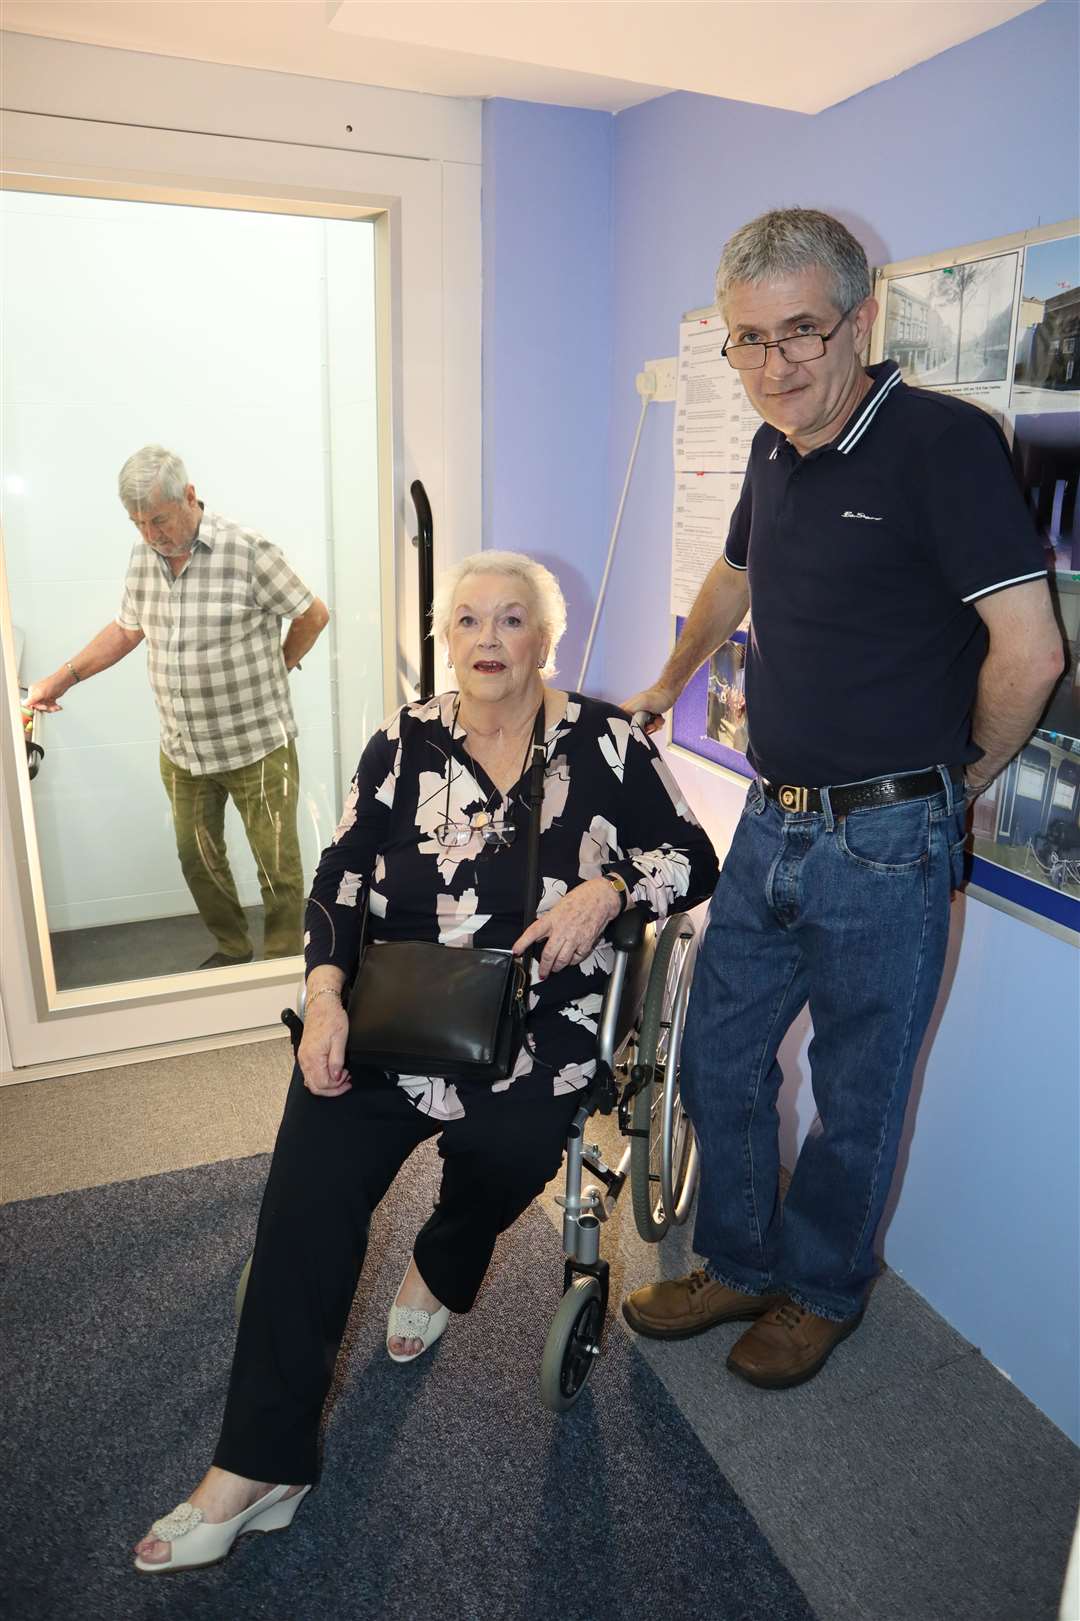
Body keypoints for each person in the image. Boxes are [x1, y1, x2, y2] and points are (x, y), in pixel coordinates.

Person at [132, 549, 718, 1572]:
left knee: (508, 1144)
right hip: (397, 1009)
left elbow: (692, 852)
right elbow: (343, 869)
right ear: (446, 638)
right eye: (468, 622)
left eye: (512, 621)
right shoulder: (405, 740)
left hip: (542, 1015)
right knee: (309, 1182)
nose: (488, 642)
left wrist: (609, 888)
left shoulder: (608, 742)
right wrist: (322, 994)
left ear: (549, 637)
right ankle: (257, 1466)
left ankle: (449, 1256)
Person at [621, 208, 1064, 1389]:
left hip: (888, 837)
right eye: (748, 341)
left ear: (863, 320)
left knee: (856, 1087)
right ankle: (740, 1258)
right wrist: (668, 677)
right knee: (719, 1055)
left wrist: (955, 777)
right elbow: (738, 568)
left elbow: (1030, 653)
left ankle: (819, 1289)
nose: (773, 366)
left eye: (802, 332)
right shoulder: (775, 448)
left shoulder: (941, 443)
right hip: (772, 814)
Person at [27, 446, 329, 967]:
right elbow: (127, 629)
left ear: (189, 497)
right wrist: (60, 680)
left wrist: (277, 667)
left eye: (159, 519)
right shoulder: (143, 557)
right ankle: (232, 950)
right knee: (197, 859)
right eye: (138, 523)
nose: (150, 534)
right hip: (183, 749)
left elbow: (313, 614)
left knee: (277, 866)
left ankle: (283, 963)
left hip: (258, 744)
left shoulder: (248, 551)